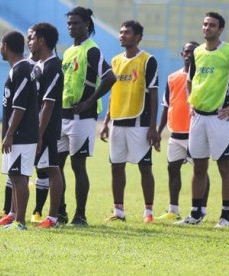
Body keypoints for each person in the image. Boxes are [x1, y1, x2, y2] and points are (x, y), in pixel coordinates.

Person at [175, 12, 229, 228]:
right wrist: (191, 101)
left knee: (223, 166)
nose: (207, 28)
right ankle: (195, 214)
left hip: (219, 118)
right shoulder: (197, 52)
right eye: (204, 24)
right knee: (198, 167)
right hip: (198, 118)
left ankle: (225, 217)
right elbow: (189, 80)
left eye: (212, 25)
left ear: (220, 29)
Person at [59, 6, 116, 226]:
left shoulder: (91, 50)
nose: (71, 26)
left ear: (87, 25)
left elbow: (110, 76)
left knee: (77, 165)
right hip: (63, 115)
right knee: (55, 164)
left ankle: (80, 215)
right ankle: (60, 211)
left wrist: (89, 102)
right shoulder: (67, 52)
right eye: (69, 23)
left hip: (82, 118)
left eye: (76, 23)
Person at [101, 20, 160, 224]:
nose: (122, 35)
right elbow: (112, 93)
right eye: (121, 32)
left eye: (127, 32)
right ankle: (119, 211)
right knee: (116, 167)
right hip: (117, 122)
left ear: (138, 37)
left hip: (139, 123)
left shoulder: (148, 60)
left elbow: (153, 94)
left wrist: (153, 126)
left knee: (145, 167)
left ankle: (148, 212)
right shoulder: (116, 61)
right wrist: (106, 121)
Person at [156, 41, 210, 221]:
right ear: (182, 54)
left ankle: (201, 209)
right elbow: (166, 106)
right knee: (173, 169)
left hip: (195, 132)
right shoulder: (172, 77)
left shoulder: (202, 77)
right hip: (176, 133)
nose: (189, 54)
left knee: (201, 170)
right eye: (187, 51)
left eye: (193, 52)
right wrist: (158, 132)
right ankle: (173, 209)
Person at [0, 31, 39, 230]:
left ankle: (20, 222)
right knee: (15, 176)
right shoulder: (19, 68)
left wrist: (9, 134)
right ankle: (14, 217)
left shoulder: (22, 69)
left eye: (0, 44)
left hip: (21, 134)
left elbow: (20, 106)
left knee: (19, 176)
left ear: (5, 46)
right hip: (19, 133)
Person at [28, 22, 64, 228]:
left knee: (52, 169)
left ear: (41, 41)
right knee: (39, 168)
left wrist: (39, 135)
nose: (30, 42)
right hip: (36, 127)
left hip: (47, 128)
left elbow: (48, 104)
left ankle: (53, 218)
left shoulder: (53, 66)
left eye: (32, 38)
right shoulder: (39, 65)